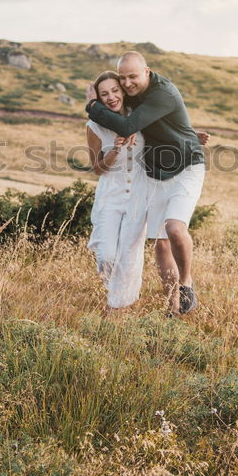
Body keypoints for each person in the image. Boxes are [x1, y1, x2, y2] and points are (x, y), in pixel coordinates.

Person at [84, 52, 208, 316]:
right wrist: (188, 131)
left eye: (132, 77)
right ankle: (173, 310)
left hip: (185, 166)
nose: (127, 84)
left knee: (174, 229)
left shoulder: (161, 92)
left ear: (147, 71)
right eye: (123, 78)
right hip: (155, 174)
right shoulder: (131, 96)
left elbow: (131, 124)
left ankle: (186, 284)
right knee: (160, 244)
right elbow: (151, 123)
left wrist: (93, 106)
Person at [85, 70, 150, 312]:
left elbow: (167, 134)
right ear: (99, 101)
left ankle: (117, 308)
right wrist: (113, 152)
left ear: (122, 91)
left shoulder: (140, 117)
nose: (111, 97)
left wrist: (191, 136)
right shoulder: (94, 126)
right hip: (110, 196)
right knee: (107, 256)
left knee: (129, 257)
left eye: (114, 91)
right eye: (104, 94)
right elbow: (97, 169)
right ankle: (117, 296)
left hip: (138, 196)